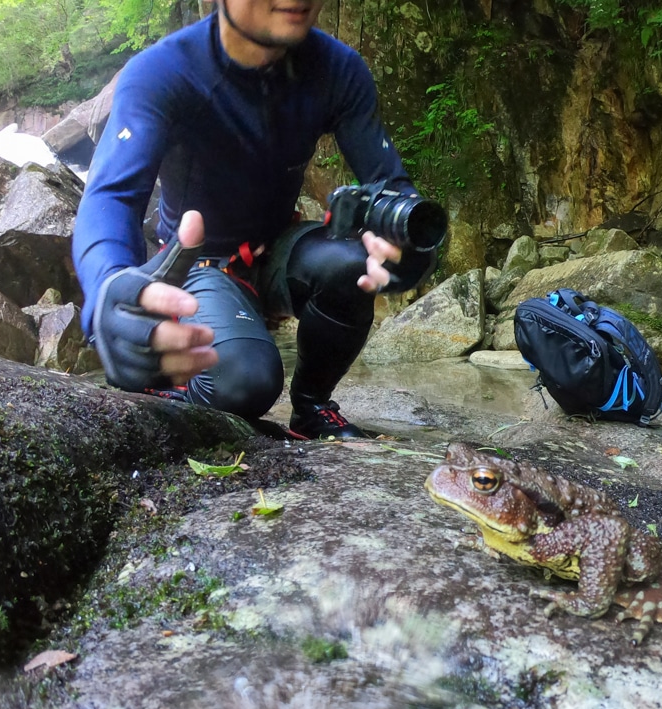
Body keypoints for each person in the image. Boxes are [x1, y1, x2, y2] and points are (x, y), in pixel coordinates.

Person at [72, 0, 437, 439]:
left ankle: (313, 408)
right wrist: (109, 284)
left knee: (352, 264)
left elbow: (391, 186)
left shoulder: (338, 68)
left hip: (278, 245)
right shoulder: (162, 72)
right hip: (199, 263)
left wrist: (408, 251)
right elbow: (110, 197)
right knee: (246, 383)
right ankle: (171, 388)